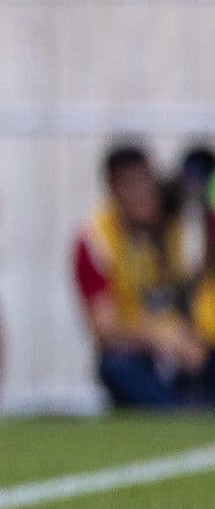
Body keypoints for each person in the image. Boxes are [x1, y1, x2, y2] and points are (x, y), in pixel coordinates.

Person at [73, 143, 213, 407]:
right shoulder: (96, 239)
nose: (139, 194)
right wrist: (157, 335)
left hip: (196, 345)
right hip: (142, 353)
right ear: (111, 189)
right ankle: (176, 413)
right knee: (116, 366)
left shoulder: (187, 224)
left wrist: (193, 335)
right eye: (127, 185)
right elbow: (104, 328)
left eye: (144, 183)